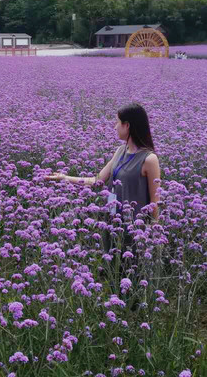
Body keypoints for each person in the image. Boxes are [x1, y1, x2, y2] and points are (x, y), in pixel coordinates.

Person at [45, 103, 161, 281]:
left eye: (117, 122)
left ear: (127, 125)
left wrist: (153, 232)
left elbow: (155, 200)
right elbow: (97, 180)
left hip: (135, 230)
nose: (115, 127)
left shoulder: (149, 159)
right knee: (113, 271)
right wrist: (64, 178)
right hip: (112, 221)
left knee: (133, 274)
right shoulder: (120, 151)